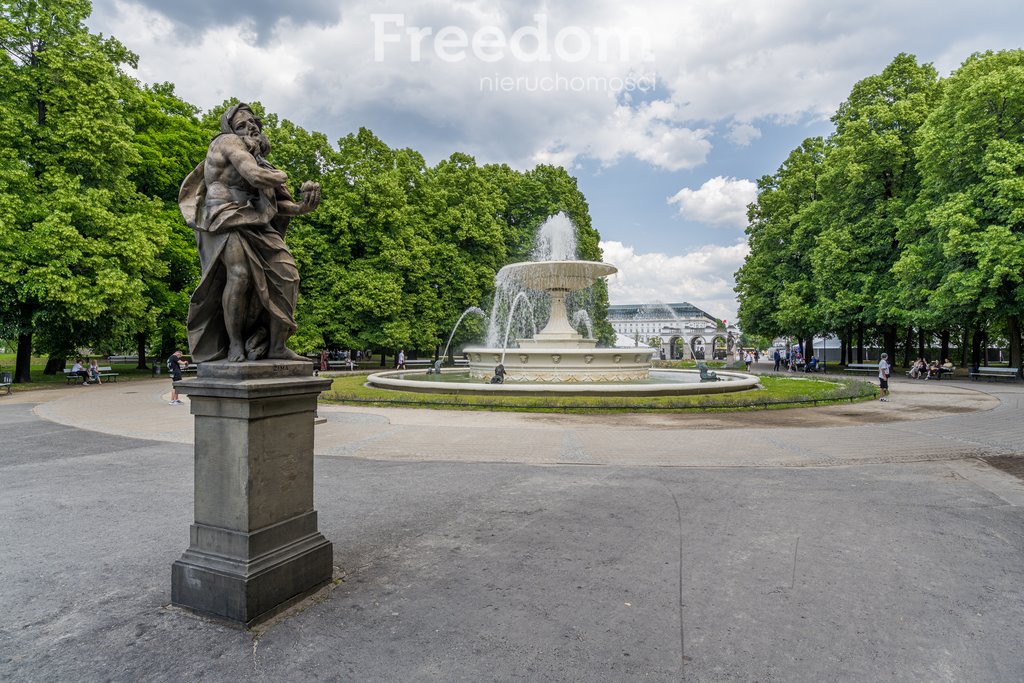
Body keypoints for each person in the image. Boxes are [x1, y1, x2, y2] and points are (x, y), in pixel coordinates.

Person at [179, 102, 322, 363]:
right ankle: (234, 345)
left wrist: (303, 207)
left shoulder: (262, 162)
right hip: (225, 216)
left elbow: (278, 205)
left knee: (288, 275)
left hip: (255, 220)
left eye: (253, 124)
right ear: (231, 129)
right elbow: (254, 177)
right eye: (242, 125)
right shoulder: (226, 142)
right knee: (240, 275)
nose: (249, 129)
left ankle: (277, 345)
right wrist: (284, 174)